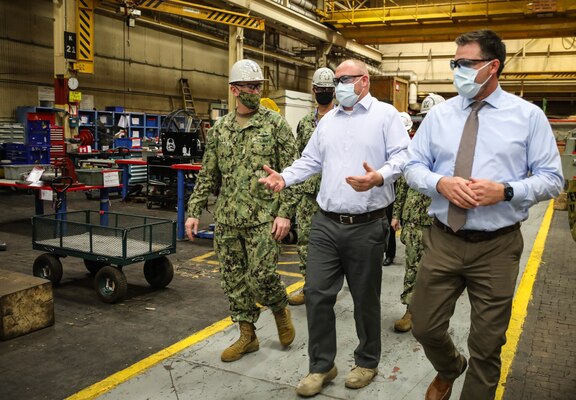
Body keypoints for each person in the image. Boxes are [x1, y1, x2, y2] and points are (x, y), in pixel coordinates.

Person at [404, 30, 563, 400]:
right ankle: (449, 367)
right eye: (454, 63)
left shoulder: (528, 117)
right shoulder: (440, 115)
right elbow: (412, 166)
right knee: (424, 326)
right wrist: (440, 183)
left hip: (496, 246)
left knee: (488, 344)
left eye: (465, 63)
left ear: (493, 67)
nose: (457, 70)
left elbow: (552, 179)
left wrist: (506, 190)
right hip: (443, 238)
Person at [259, 59, 410, 397]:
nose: (337, 85)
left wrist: (379, 176)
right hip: (325, 223)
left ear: (364, 81)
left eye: (344, 79)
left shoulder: (385, 116)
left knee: (365, 299)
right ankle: (321, 365)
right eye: (336, 80)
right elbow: (311, 161)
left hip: (367, 225)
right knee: (316, 294)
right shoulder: (327, 122)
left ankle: (367, 361)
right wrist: (284, 177)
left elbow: (404, 157)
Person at [185, 59, 299, 363]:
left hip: (263, 217)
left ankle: (279, 307)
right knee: (234, 281)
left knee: (261, 276)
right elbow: (208, 174)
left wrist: (284, 213)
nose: (255, 91)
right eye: (249, 86)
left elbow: (294, 172)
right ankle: (247, 335)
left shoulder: (275, 124)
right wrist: (194, 210)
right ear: (234, 90)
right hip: (227, 219)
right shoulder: (220, 130)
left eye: (258, 86)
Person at [391, 97, 444, 333]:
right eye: (423, 118)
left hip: (438, 222)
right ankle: (410, 311)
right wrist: (396, 214)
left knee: (437, 272)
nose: (426, 123)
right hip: (412, 219)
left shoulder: (449, 149)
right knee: (412, 266)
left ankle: (432, 315)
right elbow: (402, 183)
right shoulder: (415, 146)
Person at [288, 67, 336, 306]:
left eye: (329, 90)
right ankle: (309, 288)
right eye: (321, 90)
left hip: (333, 194)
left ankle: (328, 290)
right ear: (313, 91)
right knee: (305, 243)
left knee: (332, 247)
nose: (324, 93)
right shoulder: (305, 123)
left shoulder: (342, 120)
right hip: (308, 195)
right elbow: (300, 157)